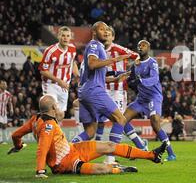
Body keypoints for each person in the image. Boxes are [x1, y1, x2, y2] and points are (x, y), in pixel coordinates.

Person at [8, 95, 166, 177]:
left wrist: (18, 145)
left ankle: (152, 155)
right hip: (66, 164)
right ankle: (118, 169)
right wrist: (40, 171)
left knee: (109, 146)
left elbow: (16, 135)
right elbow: (42, 149)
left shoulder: (34, 120)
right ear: (54, 107)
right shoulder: (49, 126)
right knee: (101, 169)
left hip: (73, 149)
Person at [93, 27, 146, 165]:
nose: (105, 35)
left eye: (108, 34)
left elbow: (138, 56)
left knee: (119, 120)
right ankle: (140, 144)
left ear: (113, 37)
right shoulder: (96, 50)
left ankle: (111, 156)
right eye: (104, 33)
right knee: (101, 120)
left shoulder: (119, 49)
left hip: (117, 90)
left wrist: (134, 71)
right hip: (102, 89)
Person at [71, 22, 130, 144]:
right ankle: (111, 158)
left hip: (85, 92)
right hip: (94, 91)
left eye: (107, 30)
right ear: (94, 32)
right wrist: (113, 60)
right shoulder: (95, 46)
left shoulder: (96, 47)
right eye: (102, 29)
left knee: (90, 132)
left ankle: (68, 149)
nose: (105, 32)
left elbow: (93, 74)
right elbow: (92, 64)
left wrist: (114, 79)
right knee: (120, 119)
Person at [124, 40, 177, 161]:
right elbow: (129, 76)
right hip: (141, 99)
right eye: (139, 45)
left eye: (143, 45)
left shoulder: (152, 62)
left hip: (154, 97)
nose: (140, 47)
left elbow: (154, 79)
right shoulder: (135, 65)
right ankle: (141, 146)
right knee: (122, 120)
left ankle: (171, 153)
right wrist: (115, 74)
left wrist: (141, 81)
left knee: (154, 122)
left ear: (148, 48)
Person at [39, 26, 79, 114]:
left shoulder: (72, 48)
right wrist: (59, 81)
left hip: (65, 86)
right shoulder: (50, 51)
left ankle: (52, 127)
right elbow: (43, 70)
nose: (65, 38)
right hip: (50, 85)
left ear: (70, 37)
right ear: (58, 36)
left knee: (60, 114)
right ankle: (41, 126)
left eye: (68, 36)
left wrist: (77, 75)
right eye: (63, 35)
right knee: (50, 111)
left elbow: (72, 62)